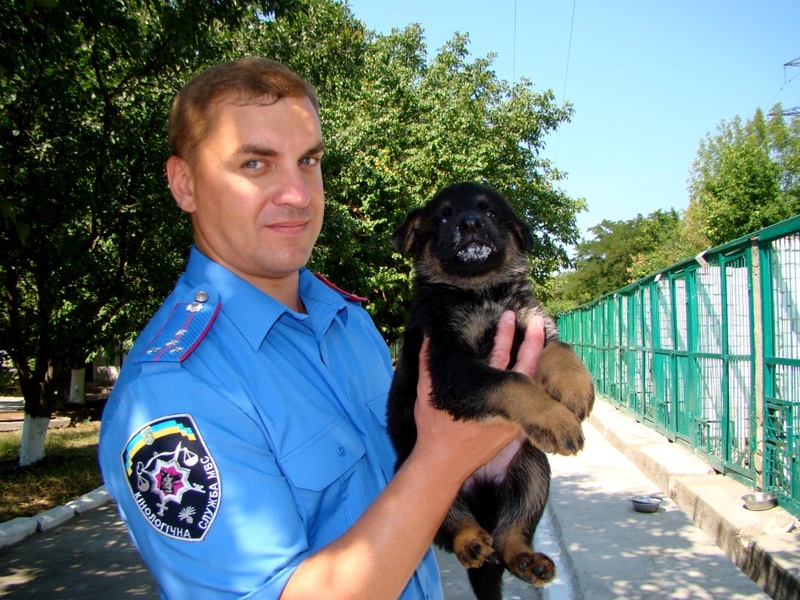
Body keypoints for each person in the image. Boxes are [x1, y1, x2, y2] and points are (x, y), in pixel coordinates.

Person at [98, 57, 545, 600]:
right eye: (255, 164)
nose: (298, 194)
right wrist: (446, 457)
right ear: (185, 184)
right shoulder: (173, 389)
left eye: (308, 160)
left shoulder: (349, 323)